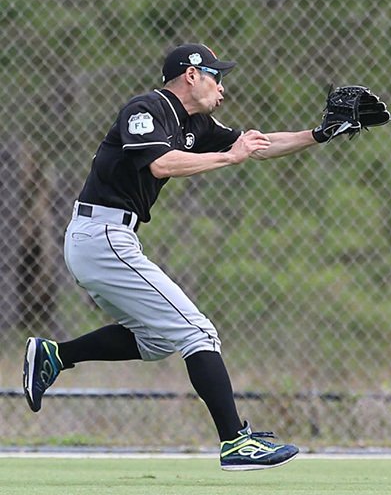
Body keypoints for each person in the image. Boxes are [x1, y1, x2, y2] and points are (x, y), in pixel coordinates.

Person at [23, 43, 350, 471]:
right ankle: (235, 442)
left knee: (157, 339)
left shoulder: (194, 122)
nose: (222, 88)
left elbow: (258, 145)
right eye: (217, 76)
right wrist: (227, 157)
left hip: (111, 237)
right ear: (191, 76)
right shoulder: (146, 108)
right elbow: (160, 164)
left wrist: (320, 133)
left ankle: (55, 357)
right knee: (198, 331)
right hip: (100, 235)